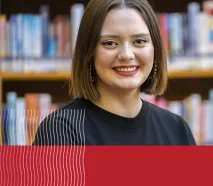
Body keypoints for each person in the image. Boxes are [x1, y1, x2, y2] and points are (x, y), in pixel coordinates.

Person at [33, 0, 196, 145]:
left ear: (155, 50)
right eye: (110, 43)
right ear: (88, 52)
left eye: (139, 41)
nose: (126, 55)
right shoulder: (59, 131)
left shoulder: (176, 129)